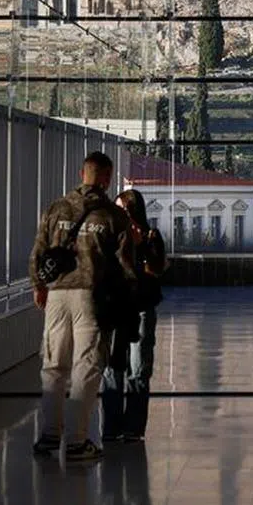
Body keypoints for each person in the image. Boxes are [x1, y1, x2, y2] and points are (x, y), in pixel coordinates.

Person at [29, 152, 136, 462]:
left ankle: (49, 436)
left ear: (82, 173)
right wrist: (129, 296)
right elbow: (125, 264)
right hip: (92, 296)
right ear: (106, 177)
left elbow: (38, 250)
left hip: (57, 295)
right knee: (86, 366)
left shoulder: (56, 208)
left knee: (53, 365)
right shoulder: (113, 217)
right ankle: (77, 441)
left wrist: (38, 285)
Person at [101, 189, 166, 443]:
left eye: (126, 210)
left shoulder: (151, 237)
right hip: (116, 307)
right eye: (118, 210)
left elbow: (156, 270)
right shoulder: (111, 237)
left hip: (141, 307)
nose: (122, 215)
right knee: (112, 368)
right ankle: (111, 426)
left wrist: (140, 247)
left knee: (138, 369)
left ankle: (134, 427)